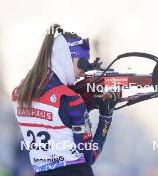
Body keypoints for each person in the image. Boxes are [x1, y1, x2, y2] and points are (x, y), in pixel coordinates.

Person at [11, 24, 116, 176]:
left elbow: (55, 122)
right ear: (65, 58)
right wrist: (106, 116)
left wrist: (85, 105)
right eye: (82, 62)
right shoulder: (71, 100)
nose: (83, 71)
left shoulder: (18, 95)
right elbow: (90, 155)